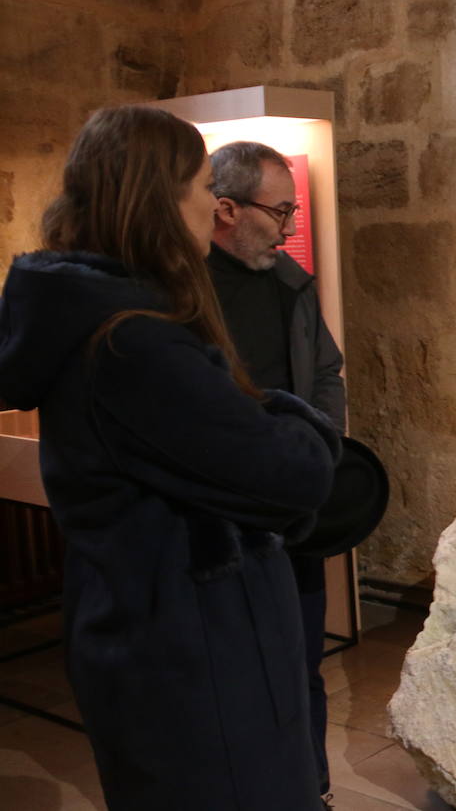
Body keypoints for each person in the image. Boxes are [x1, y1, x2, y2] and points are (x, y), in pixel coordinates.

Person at [0, 105, 340, 809]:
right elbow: (292, 475)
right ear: (163, 200)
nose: (207, 202)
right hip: (196, 651)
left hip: (167, 634)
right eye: (200, 184)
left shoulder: (111, 319)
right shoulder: (134, 343)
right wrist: (290, 415)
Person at [207, 141, 344, 805]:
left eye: (292, 213)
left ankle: (308, 788)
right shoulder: (184, 293)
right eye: (279, 213)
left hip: (291, 506)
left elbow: (324, 373)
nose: (290, 231)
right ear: (225, 208)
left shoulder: (292, 284)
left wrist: (319, 451)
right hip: (222, 514)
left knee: (302, 661)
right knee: (232, 666)